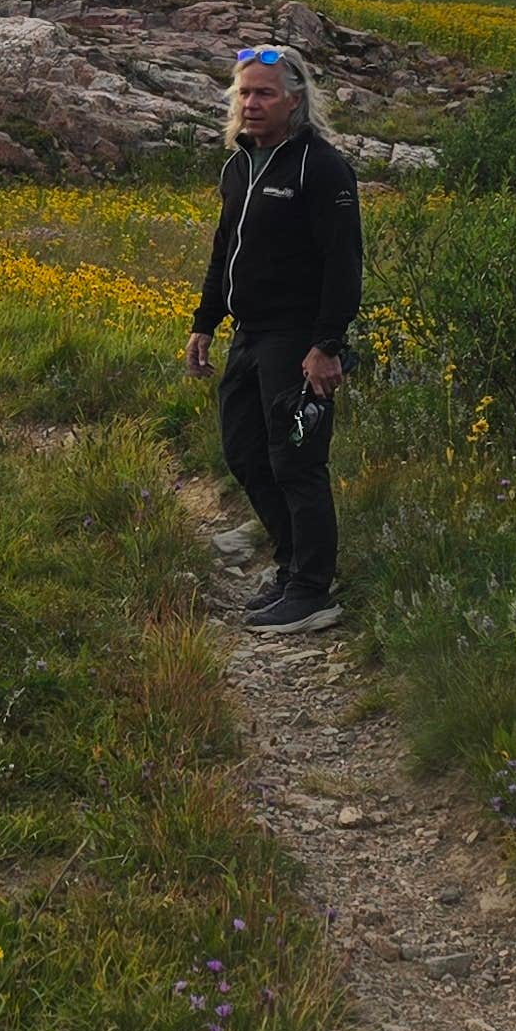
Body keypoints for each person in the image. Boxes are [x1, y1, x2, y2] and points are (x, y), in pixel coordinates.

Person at [187, 42, 359, 633]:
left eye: (264, 93)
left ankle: (314, 590)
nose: (251, 103)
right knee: (244, 453)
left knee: (297, 462)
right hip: (248, 335)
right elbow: (223, 249)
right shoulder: (240, 164)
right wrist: (204, 322)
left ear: (294, 99)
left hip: (298, 340)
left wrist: (327, 344)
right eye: (244, 92)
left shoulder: (320, 166)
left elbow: (343, 262)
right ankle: (293, 566)